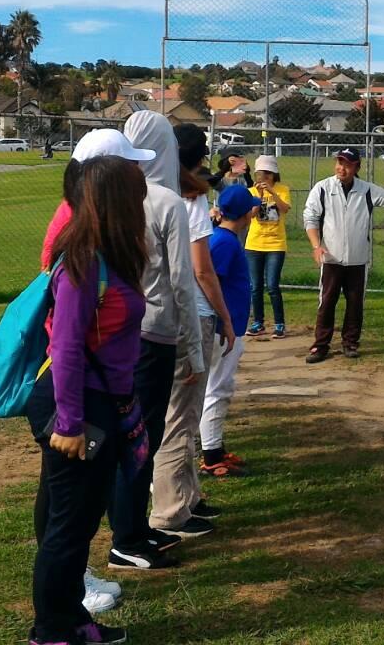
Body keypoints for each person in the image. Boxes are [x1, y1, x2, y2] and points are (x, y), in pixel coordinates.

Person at [37, 128, 170, 599]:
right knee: (69, 515)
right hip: (81, 402)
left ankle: (68, 600)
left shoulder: (103, 244)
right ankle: (61, 614)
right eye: (133, 177)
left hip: (95, 395)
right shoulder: (84, 251)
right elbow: (67, 343)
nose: (142, 186)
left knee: (70, 508)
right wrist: (71, 420)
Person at [106, 111, 201, 573]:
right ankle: (125, 537)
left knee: (134, 433)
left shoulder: (116, 197)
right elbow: (182, 284)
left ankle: (137, 527)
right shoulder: (166, 202)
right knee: (143, 436)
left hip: (122, 332)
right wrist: (195, 349)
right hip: (157, 333)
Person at [148, 125, 235, 540]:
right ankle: (169, 512)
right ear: (199, 158)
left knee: (179, 412)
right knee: (180, 419)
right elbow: (200, 270)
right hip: (191, 316)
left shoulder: (148, 192)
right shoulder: (189, 198)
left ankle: (188, 498)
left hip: (160, 317)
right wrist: (225, 317)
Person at [301, 147, 384, 363]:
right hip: (332, 259)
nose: (341, 167)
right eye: (339, 162)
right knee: (327, 302)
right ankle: (320, 346)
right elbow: (310, 218)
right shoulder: (323, 189)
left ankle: (350, 343)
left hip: (357, 259)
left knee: (355, 303)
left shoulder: (366, 190)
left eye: (346, 164)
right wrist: (316, 246)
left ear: (356, 167)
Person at [200, 185, 260, 478]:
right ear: (246, 213)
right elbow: (208, 280)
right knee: (217, 388)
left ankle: (215, 447)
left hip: (227, 326)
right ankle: (211, 454)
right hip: (223, 328)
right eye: (252, 207)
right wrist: (223, 320)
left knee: (218, 386)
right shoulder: (224, 242)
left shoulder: (223, 238)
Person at [244, 154, 291, 339]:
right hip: (254, 243)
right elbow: (251, 215)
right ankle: (258, 322)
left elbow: (285, 208)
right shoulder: (252, 192)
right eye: (260, 174)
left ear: (273, 174)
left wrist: (272, 192)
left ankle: (279, 323)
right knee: (255, 286)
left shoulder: (282, 189)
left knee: (272, 285)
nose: (263, 178)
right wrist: (260, 196)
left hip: (275, 244)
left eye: (266, 174)